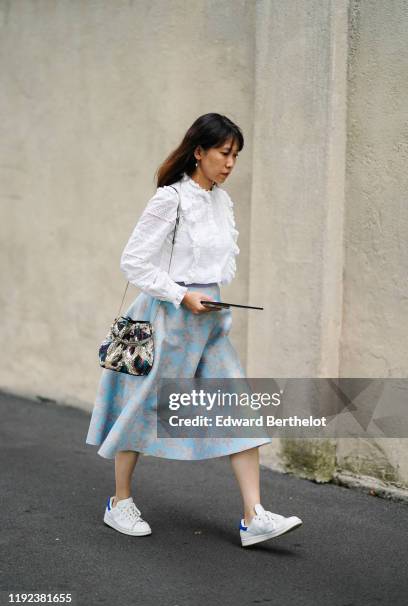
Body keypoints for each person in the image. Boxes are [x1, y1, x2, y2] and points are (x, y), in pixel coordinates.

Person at [85, 112, 303, 547]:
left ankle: (253, 516)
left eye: (236, 156)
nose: (230, 164)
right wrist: (180, 294)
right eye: (224, 153)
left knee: (238, 406)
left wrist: (209, 298)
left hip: (211, 318)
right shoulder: (171, 199)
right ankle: (120, 502)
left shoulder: (221, 201)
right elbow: (133, 261)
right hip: (170, 316)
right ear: (199, 151)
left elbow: (212, 266)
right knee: (145, 408)